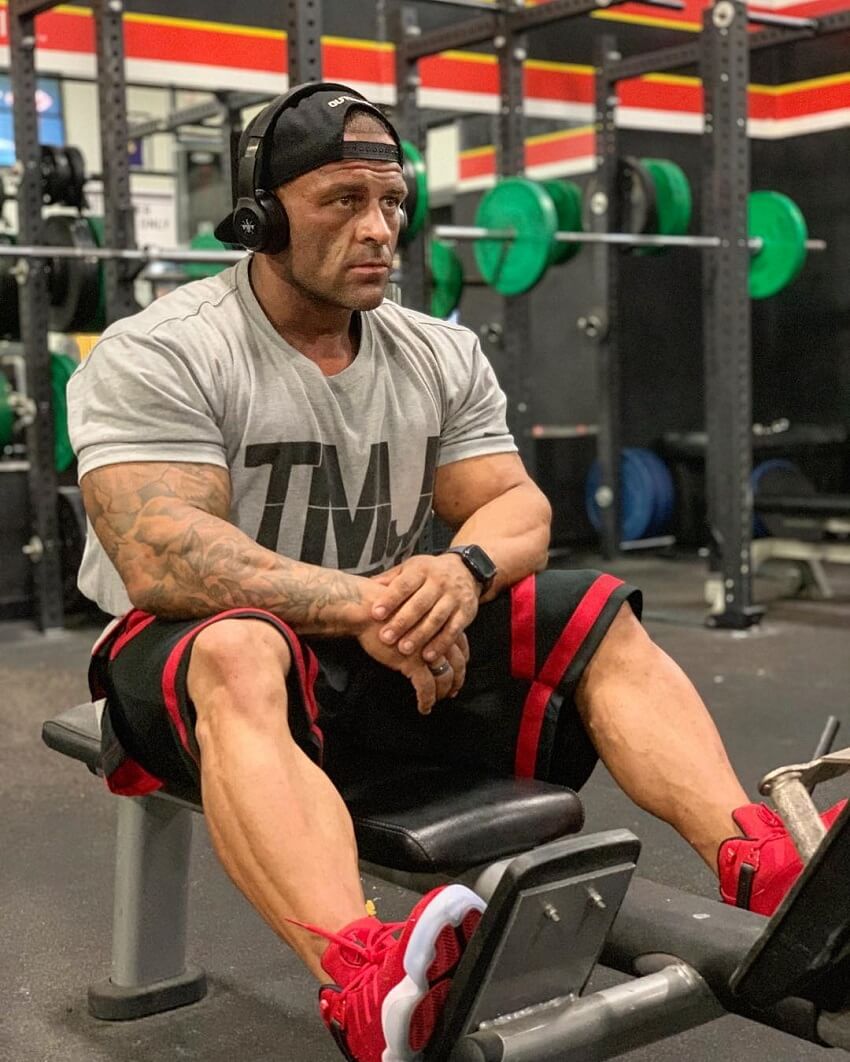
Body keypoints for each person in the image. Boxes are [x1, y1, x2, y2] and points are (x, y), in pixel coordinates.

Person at [67, 82, 844, 1062]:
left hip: (386, 650)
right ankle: (366, 980)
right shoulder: (167, 350)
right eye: (343, 201)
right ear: (260, 218)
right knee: (237, 646)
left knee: (592, 609)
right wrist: (366, 602)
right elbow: (161, 551)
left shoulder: (437, 350)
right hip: (195, 658)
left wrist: (463, 569)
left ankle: (767, 869)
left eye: (392, 202)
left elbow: (519, 507)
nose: (380, 227)